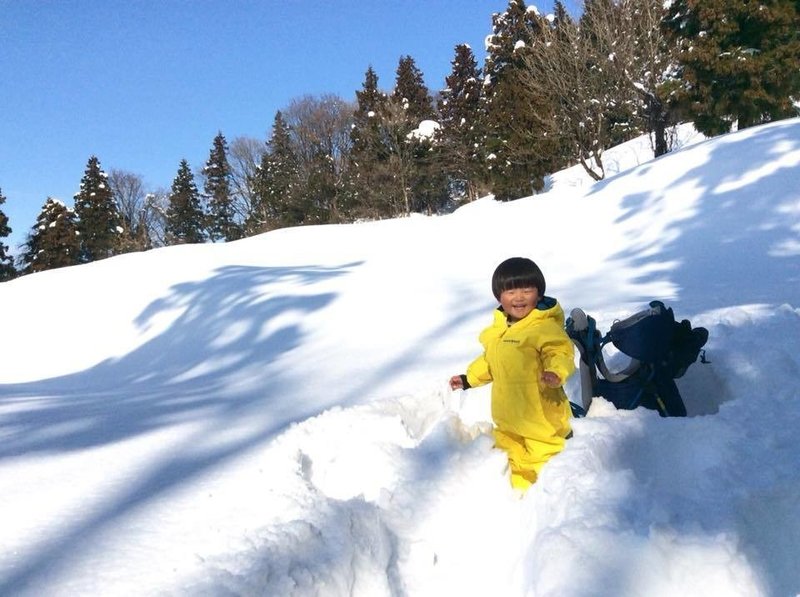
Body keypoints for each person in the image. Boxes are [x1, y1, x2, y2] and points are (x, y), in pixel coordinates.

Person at [450, 257, 575, 491]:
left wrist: (555, 372)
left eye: (527, 290)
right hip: (507, 416)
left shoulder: (542, 327)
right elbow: (490, 361)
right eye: (510, 291)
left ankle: (548, 496)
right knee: (510, 454)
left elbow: (560, 352)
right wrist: (468, 379)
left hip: (540, 417)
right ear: (499, 296)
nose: (519, 297)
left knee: (544, 460)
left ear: (538, 294)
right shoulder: (498, 331)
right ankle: (516, 495)